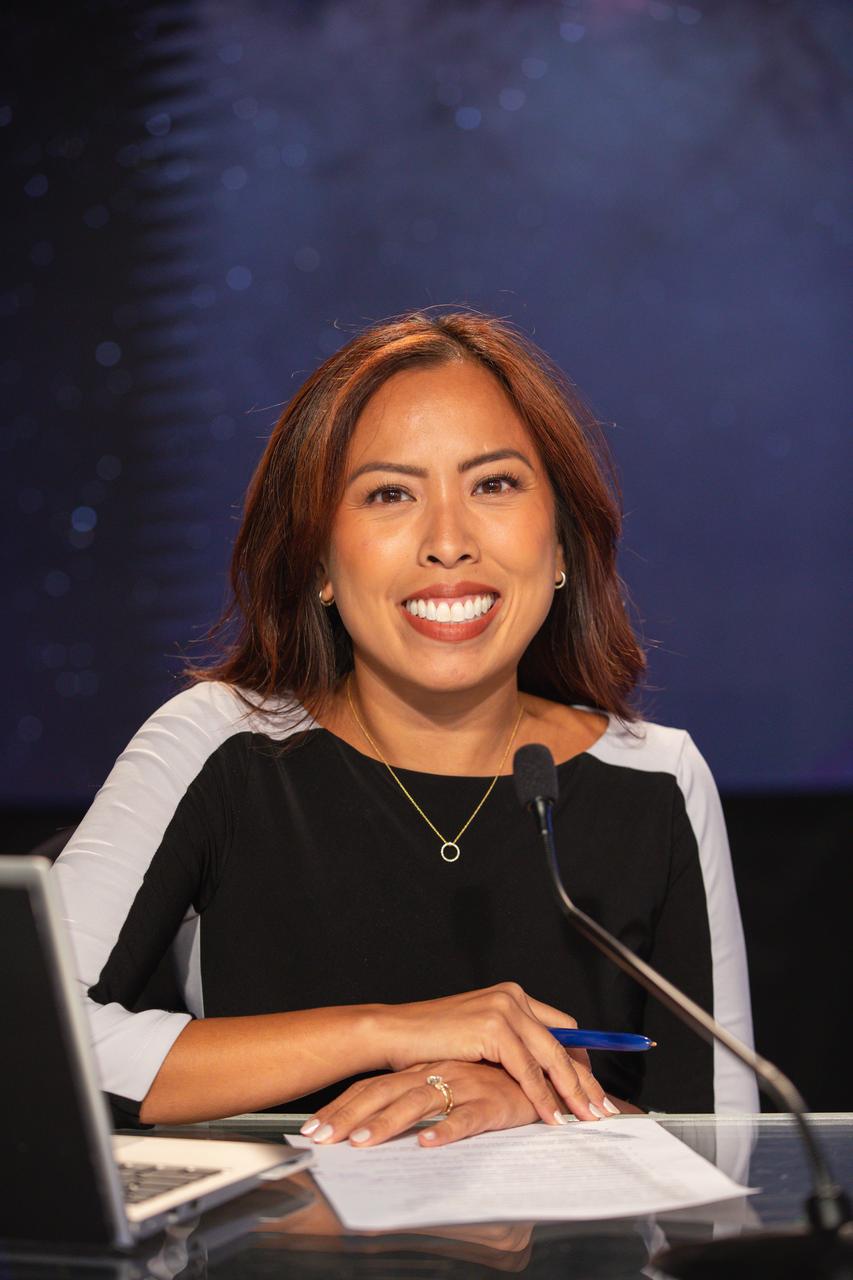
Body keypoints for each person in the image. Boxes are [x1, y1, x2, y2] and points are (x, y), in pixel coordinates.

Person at [53, 309, 758, 1150]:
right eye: (390, 494)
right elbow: (36, 1039)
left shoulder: (659, 779)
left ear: (563, 542)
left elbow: (726, 1142)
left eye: (493, 484)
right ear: (317, 561)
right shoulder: (219, 744)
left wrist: (539, 1108)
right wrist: (390, 1033)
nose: (448, 542)